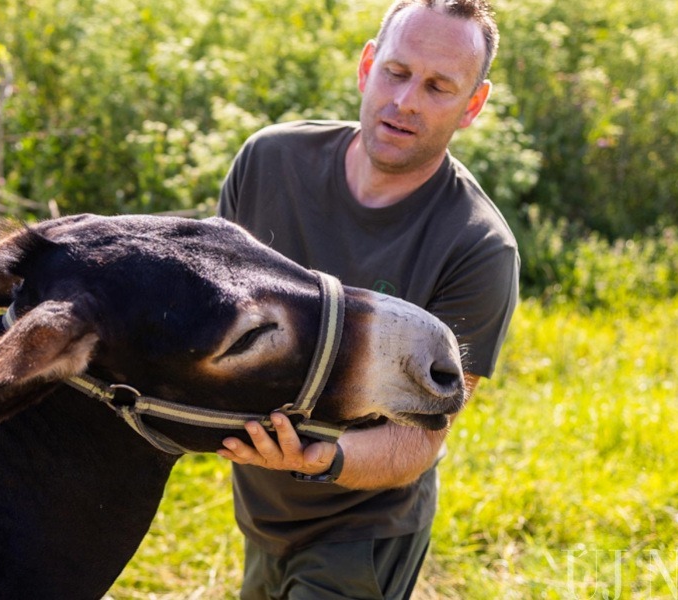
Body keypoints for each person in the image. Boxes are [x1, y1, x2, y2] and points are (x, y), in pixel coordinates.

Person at [215, 0, 519, 598]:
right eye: (397, 72)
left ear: (472, 106)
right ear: (367, 66)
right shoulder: (267, 163)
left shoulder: (478, 248)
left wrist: (314, 458)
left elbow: (418, 442)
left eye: (438, 86)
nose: (405, 101)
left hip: (364, 536)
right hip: (261, 513)